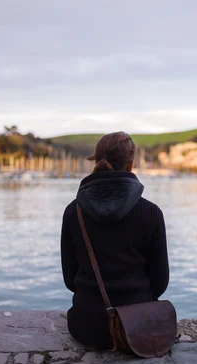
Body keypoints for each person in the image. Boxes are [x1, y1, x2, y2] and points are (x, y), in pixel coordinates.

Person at [60, 131, 170, 349]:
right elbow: (160, 283)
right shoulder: (151, 212)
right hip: (138, 327)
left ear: (95, 160)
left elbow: (69, 280)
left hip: (86, 327)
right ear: (131, 163)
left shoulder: (74, 212)